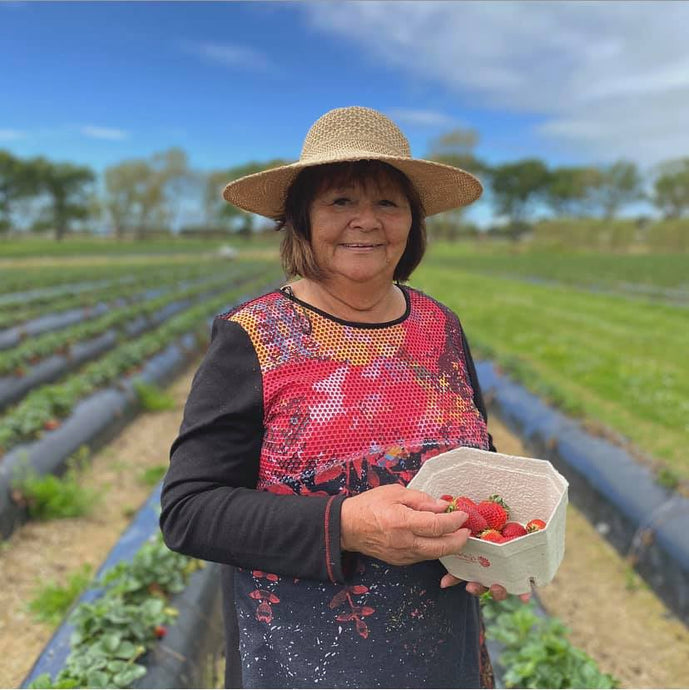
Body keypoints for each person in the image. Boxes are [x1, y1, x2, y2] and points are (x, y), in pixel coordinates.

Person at [160, 106, 527, 689]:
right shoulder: (255, 336)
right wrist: (346, 525)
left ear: (413, 221)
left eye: (387, 202)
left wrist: (491, 546)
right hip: (306, 659)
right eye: (339, 201)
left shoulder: (439, 326)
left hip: (441, 650)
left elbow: (475, 464)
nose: (366, 221)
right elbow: (189, 511)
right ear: (301, 219)